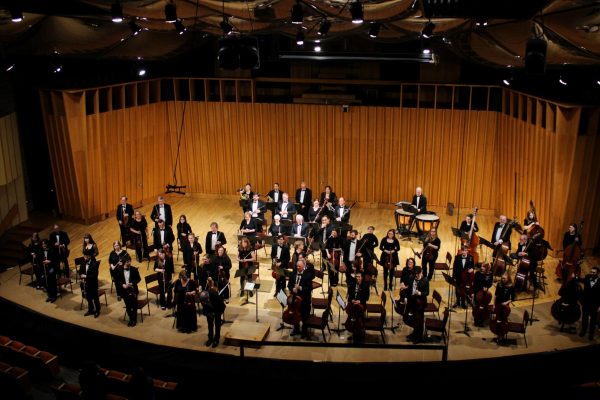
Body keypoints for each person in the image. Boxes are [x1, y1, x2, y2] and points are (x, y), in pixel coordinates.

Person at [287, 260, 312, 338]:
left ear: (303, 266)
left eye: (299, 266)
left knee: (304, 316)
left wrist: (300, 287)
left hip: (304, 299)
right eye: (297, 266)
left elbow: (309, 288)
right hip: (295, 299)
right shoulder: (293, 273)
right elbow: (289, 285)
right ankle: (296, 329)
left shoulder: (308, 275)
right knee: (295, 314)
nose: (298, 268)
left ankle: (304, 332)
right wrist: (292, 289)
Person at [405, 266, 429, 343]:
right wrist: (406, 297)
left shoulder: (425, 280)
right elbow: (409, 289)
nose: (416, 276)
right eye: (415, 274)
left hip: (420, 303)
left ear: (421, 272)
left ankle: (419, 337)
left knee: (420, 320)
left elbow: (427, 292)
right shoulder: (412, 277)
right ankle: (414, 334)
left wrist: (419, 293)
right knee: (414, 319)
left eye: (418, 274)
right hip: (412, 301)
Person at [200, 277, 226, 347]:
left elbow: (222, 305)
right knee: (210, 325)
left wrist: (218, 313)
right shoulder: (205, 294)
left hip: (217, 309)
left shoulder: (215, 294)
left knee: (217, 325)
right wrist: (208, 313)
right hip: (209, 310)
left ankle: (216, 340)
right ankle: (210, 338)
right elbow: (204, 305)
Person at [118, 255, 141, 327]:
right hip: (124, 291)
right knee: (128, 307)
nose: (129, 262)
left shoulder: (134, 269)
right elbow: (118, 280)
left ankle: (134, 320)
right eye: (128, 261)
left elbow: (138, 279)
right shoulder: (119, 270)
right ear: (124, 262)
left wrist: (131, 283)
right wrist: (122, 285)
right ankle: (131, 319)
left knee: (134, 306)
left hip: (133, 290)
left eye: (130, 261)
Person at [346, 271, 369, 343]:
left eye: (359, 277)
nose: (357, 278)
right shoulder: (353, 284)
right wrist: (352, 300)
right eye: (356, 277)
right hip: (353, 304)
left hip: (361, 304)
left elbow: (366, 298)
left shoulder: (365, 285)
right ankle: (354, 332)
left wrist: (359, 301)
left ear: (362, 277)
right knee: (352, 313)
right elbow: (349, 296)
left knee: (357, 315)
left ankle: (359, 332)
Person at [493, 273, 515, 343]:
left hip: (505, 306)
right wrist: (494, 304)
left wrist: (506, 303)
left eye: (504, 278)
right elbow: (496, 295)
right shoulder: (499, 285)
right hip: (498, 304)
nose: (503, 279)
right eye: (502, 278)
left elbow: (513, 298)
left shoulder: (511, 286)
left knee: (503, 319)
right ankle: (498, 334)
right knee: (498, 319)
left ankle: (502, 334)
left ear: (508, 279)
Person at [580, 266, 600, 340]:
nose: (592, 273)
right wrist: (575, 277)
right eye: (591, 272)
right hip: (586, 303)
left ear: (597, 273)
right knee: (584, 317)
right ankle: (583, 330)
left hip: (595, 304)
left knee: (593, 320)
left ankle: (591, 333)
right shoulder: (588, 277)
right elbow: (582, 280)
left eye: (594, 272)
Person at [79, 253, 100, 318]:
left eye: (86, 257)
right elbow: (80, 272)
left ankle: (97, 311)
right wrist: (81, 278)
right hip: (85, 283)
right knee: (88, 297)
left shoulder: (94, 264)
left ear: (89, 257)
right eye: (84, 256)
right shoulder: (82, 263)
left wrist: (85, 276)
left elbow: (94, 276)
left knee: (95, 298)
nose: (85, 258)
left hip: (93, 284)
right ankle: (91, 309)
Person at [472, 262, 493, 327]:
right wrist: (472, 293)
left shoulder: (489, 274)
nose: (481, 268)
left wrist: (487, 287)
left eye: (483, 267)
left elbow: (490, 283)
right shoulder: (477, 273)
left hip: (485, 293)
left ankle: (482, 320)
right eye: (482, 266)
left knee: (484, 306)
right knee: (476, 306)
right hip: (477, 291)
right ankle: (476, 320)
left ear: (487, 269)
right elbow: (474, 283)